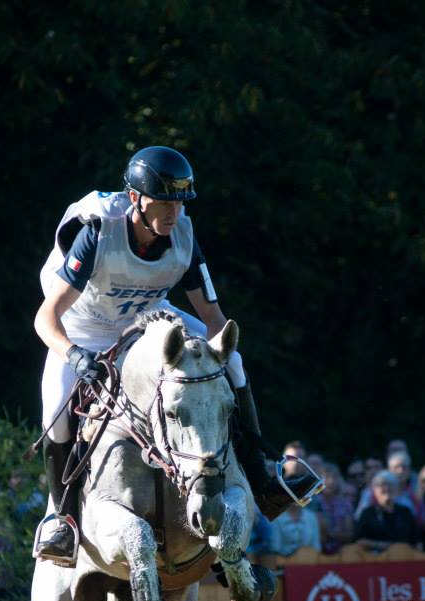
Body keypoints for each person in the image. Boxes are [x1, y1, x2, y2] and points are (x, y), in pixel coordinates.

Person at [33, 146, 316, 563]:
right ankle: (64, 520)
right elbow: (45, 319)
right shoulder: (97, 233)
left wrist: (217, 356)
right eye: (165, 203)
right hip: (84, 327)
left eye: (180, 203)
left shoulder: (183, 235)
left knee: (231, 358)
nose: (174, 213)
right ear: (136, 200)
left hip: (148, 318)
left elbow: (214, 318)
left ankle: (260, 473)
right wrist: (74, 357)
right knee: (55, 411)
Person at [354, 471, 420, 553]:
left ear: (396, 489)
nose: (386, 488)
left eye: (390, 484)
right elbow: (359, 541)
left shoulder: (405, 512)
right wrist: (384, 545)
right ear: (374, 490)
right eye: (381, 485)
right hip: (375, 560)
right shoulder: (368, 513)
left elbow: (417, 540)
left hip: (404, 559)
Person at [319, 463, 354, 554]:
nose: (331, 481)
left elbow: (349, 534)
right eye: (326, 477)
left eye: (334, 478)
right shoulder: (313, 503)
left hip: (342, 553)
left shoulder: (346, 504)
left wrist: (330, 533)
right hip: (315, 553)